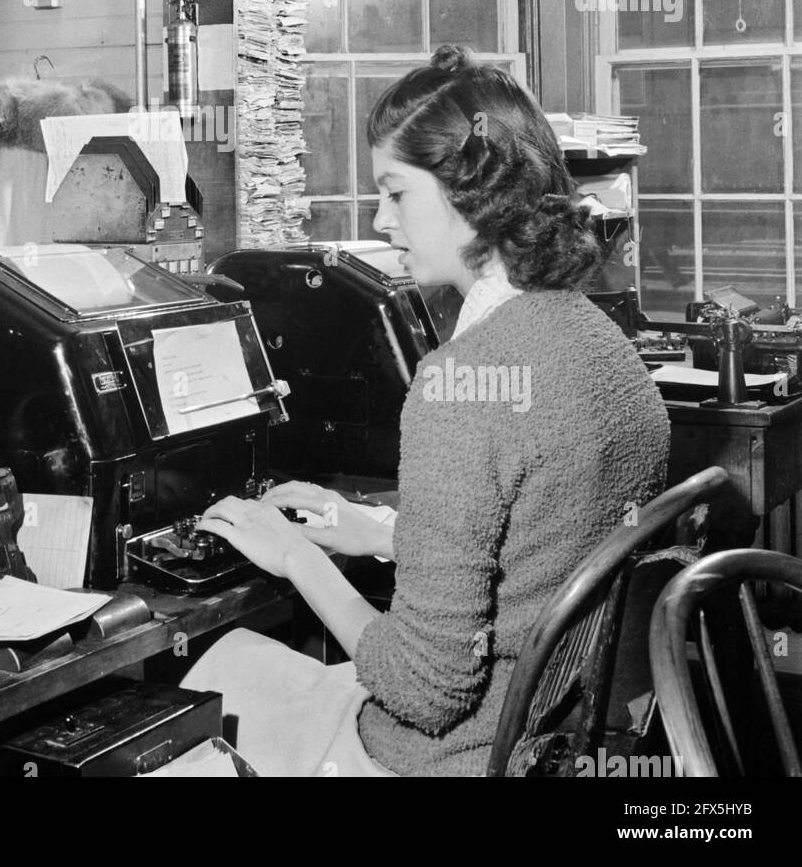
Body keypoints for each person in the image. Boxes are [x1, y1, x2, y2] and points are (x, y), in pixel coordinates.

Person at [185, 45, 671, 776]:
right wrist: (380, 534)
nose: (381, 220)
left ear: (471, 194)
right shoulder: (603, 345)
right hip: (563, 731)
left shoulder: (459, 382)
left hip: (456, 754)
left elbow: (424, 690)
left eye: (396, 193)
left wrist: (295, 558)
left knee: (201, 688)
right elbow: (543, 545)